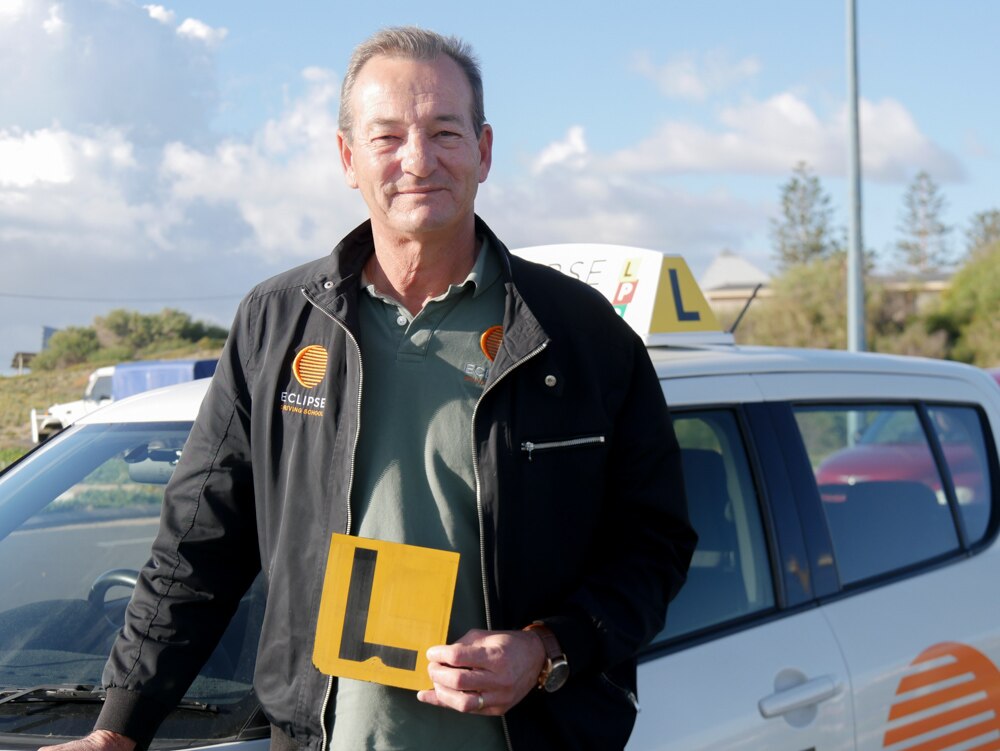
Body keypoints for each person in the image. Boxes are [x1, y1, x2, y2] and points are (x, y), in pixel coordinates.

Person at [48, 26, 696, 751]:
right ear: (347, 157)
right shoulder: (277, 323)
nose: (418, 160)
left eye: (445, 132)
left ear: (484, 151)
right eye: (387, 136)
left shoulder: (579, 333)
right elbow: (198, 543)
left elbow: (654, 542)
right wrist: (120, 725)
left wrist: (546, 648)